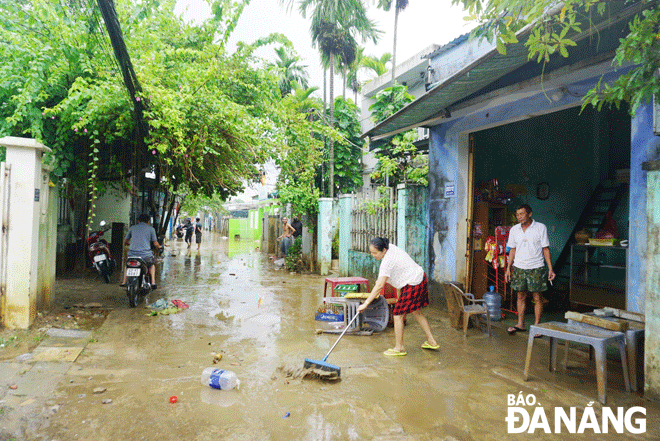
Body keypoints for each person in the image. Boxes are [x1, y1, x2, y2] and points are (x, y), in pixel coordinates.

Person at [357, 237, 439, 356]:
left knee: (397, 314)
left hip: (413, 284)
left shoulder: (386, 262)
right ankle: (431, 341)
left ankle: (399, 348)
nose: (372, 255)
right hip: (419, 277)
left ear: (384, 250)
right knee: (417, 311)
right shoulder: (391, 247)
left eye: (375, 252)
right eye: (371, 252)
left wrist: (365, 303)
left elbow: (380, 285)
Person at [505, 204, 556, 338]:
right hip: (519, 267)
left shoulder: (540, 227)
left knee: (537, 297)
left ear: (530, 214)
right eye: (517, 214)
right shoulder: (514, 230)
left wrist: (550, 268)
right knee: (520, 296)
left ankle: (537, 326)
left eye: (521, 214)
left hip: (536, 267)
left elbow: (545, 249)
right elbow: (512, 250)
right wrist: (508, 268)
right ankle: (520, 324)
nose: (519, 217)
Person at [120, 213, 161, 289]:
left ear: (138, 221)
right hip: (146, 256)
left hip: (132, 254)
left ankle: (124, 282)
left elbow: (125, 241)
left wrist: (131, 243)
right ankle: (153, 282)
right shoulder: (151, 229)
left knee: (127, 265)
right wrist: (159, 247)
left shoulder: (132, 228)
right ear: (148, 221)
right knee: (152, 265)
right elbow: (155, 243)